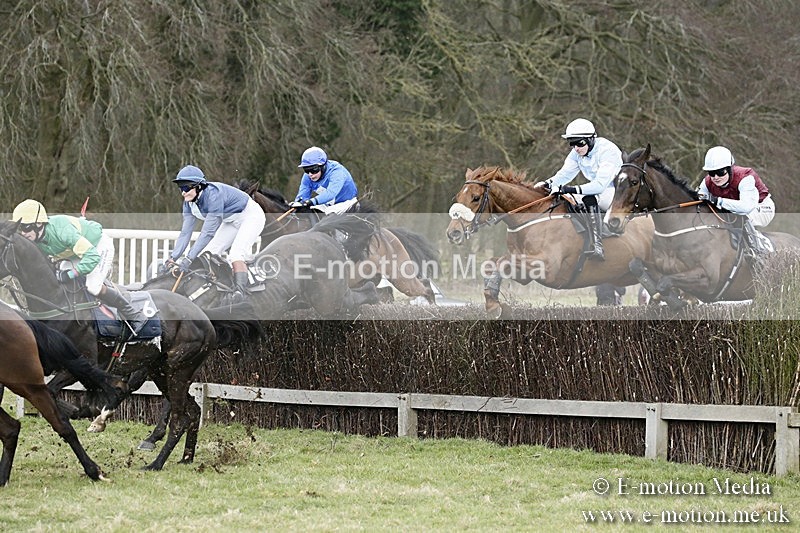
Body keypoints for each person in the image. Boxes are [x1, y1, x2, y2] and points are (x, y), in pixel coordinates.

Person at [11, 199, 147, 335]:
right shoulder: (36, 238)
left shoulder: (63, 231)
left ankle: (134, 315)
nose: (23, 233)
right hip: (74, 252)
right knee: (60, 281)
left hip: (96, 247)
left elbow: (92, 257)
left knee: (93, 287)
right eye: (20, 228)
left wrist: (71, 274)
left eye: (26, 227)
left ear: (39, 224)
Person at [165, 165, 266, 302]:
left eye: (186, 188)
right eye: (180, 188)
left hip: (251, 216)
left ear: (198, 186)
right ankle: (218, 287)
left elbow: (208, 233)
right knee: (207, 253)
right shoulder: (188, 204)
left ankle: (240, 294)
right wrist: (173, 257)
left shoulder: (214, 196)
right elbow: (185, 233)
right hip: (231, 220)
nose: (183, 192)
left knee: (236, 254)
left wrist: (189, 259)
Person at [534, 118, 622, 261]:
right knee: (566, 199)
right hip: (598, 188)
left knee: (588, 198)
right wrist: (546, 183)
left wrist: (569, 188)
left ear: (591, 139)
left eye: (580, 143)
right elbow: (564, 174)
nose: (576, 148)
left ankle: (598, 246)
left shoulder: (608, 150)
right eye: (572, 143)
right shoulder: (576, 153)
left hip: (616, 192)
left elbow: (600, 185)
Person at [696, 146, 775, 257]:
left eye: (720, 172)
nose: (716, 177)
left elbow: (746, 207)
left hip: (762, 207)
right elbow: (699, 199)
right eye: (712, 173)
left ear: (729, 169)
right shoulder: (707, 182)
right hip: (734, 209)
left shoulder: (745, 178)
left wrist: (717, 200)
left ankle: (758, 253)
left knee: (739, 216)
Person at [290, 146, 359, 214]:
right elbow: (302, 196)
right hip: (328, 205)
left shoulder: (337, 172)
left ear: (323, 166)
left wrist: (311, 202)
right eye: (306, 170)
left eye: (313, 170)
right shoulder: (307, 176)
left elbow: (331, 193)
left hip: (347, 204)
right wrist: (297, 205)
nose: (310, 174)